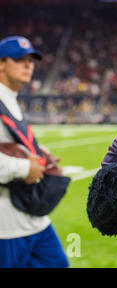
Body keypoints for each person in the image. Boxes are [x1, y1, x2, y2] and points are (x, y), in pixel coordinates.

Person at [0, 36, 69, 268]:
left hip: (32, 218)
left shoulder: (10, 99)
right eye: (20, 60)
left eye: (31, 60)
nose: (28, 65)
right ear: (1, 63)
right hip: (6, 226)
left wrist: (38, 152)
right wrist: (24, 167)